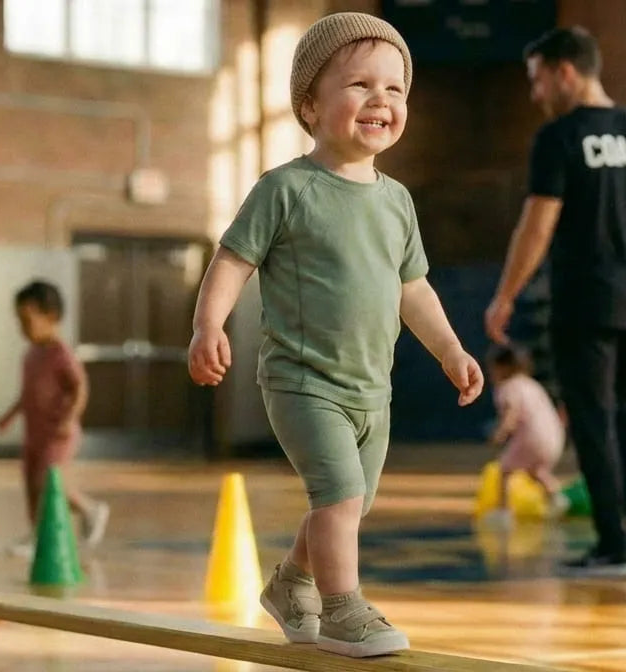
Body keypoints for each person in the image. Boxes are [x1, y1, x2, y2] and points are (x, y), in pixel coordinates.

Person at [186, 12, 483, 658]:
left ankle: (292, 584)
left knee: (348, 501)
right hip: (302, 380)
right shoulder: (286, 190)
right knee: (341, 494)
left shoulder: (397, 202)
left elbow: (414, 291)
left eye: (395, 89)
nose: (381, 100)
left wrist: (451, 350)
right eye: (360, 86)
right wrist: (208, 324)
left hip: (370, 390)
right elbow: (233, 260)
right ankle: (343, 608)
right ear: (310, 106)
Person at [484, 26, 626, 578]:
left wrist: (505, 294)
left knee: (594, 420)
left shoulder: (560, 137)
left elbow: (538, 224)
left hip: (585, 302)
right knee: (624, 413)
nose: (535, 95)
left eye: (537, 81)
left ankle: (612, 547)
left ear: (564, 71)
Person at [0, 280, 109, 557]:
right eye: (19, 321)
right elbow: (27, 395)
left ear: (52, 317)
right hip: (35, 434)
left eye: (27, 320)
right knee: (32, 485)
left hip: (58, 434)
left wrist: (70, 418)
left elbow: (79, 386)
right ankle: (38, 533)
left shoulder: (61, 354)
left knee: (50, 483)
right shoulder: (30, 356)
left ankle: (88, 510)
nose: (22, 328)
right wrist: (9, 417)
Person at [483, 343, 569, 527]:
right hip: (554, 437)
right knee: (536, 471)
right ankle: (557, 498)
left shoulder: (507, 387)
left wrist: (500, 433)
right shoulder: (532, 384)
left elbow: (511, 412)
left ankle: (503, 512)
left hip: (532, 438)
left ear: (502, 367)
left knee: (504, 470)